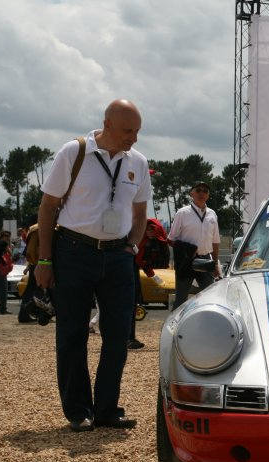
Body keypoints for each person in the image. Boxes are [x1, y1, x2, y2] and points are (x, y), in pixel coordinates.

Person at [35, 99, 152, 432]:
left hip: (118, 257)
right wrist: (45, 259)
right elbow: (47, 207)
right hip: (74, 251)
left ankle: (106, 409)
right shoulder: (74, 152)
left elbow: (141, 214)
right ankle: (78, 411)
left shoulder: (138, 162)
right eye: (128, 131)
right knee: (72, 335)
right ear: (107, 124)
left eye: (137, 131)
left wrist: (131, 246)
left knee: (118, 337)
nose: (134, 138)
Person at [168, 182, 221, 309]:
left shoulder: (212, 214)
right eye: (198, 190)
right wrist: (187, 249)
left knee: (210, 298)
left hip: (205, 259)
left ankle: (206, 321)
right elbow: (170, 239)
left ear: (208, 195)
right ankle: (176, 322)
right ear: (192, 193)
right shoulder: (182, 213)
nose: (202, 193)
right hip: (186, 261)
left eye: (205, 191)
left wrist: (215, 264)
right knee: (181, 300)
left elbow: (215, 241)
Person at [127, 218, 170, 349]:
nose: (152, 236)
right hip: (127, 265)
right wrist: (151, 274)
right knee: (129, 303)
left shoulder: (148, 237)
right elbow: (141, 260)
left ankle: (129, 337)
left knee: (132, 303)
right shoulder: (142, 236)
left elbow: (142, 261)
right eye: (150, 232)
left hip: (131, 265)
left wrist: (152, 275)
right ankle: (128, 338)